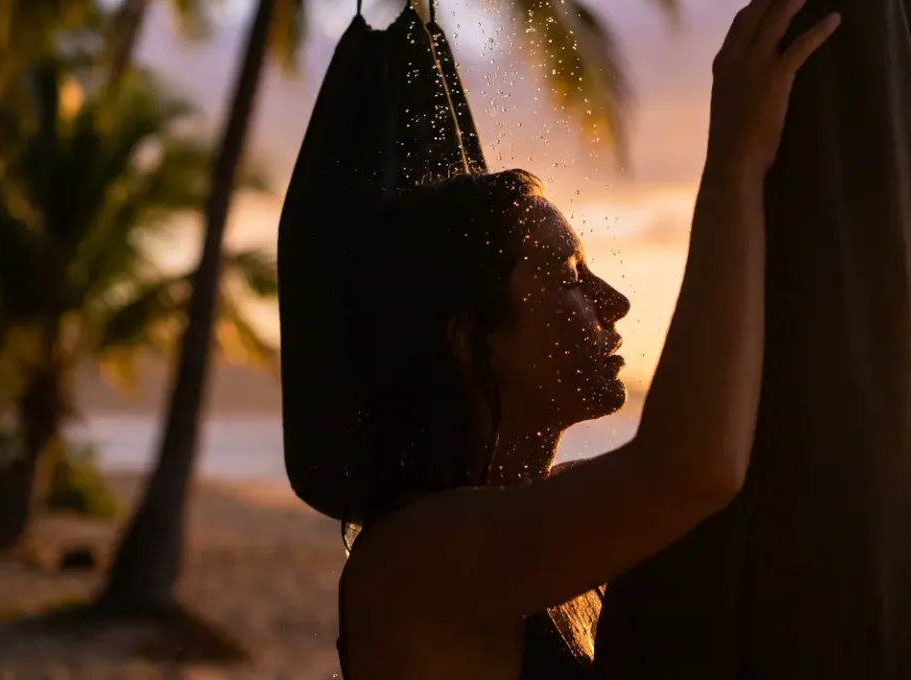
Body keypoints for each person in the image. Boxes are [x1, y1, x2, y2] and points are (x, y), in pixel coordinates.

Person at [338, 0, 841, 676]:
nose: (616, 303)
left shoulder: (551, 510)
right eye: (572, 279)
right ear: (469, 339)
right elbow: (693, 465)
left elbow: (718, 450)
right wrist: (735, 160)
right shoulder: (413, 559)